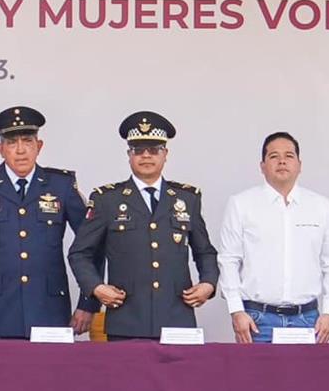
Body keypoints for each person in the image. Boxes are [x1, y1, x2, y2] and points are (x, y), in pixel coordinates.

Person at [0, 106, 91, 340]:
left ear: (39, 146)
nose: (21, 150)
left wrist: (87, 303)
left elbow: (90, 245)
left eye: (28, 141)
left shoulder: (61, 186)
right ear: (0, 149)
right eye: (12, 143)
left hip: (49, 310)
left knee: (51, 376)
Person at [67, 112, 218, 340]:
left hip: (177, 318)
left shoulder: (187, 198)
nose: (146, 156)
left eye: (154, 149)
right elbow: (80, 253)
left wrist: (208, 283)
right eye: (138, 150)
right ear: (129, 155)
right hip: (126, 320)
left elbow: (205, 251)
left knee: (180, 377)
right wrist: (97, 288)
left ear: (165, 154)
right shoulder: (107, 199)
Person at [216, 131, 329, 343]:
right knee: (257, 377)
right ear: (262, 166)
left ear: (300, 165)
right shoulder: (241, 204)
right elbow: (229, 260)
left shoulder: (321, 207)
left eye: (289, 156)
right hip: (256, 320)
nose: (282, 161)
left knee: (306, 377)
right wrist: (236, 311)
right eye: (274, 156)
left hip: (308, 320)